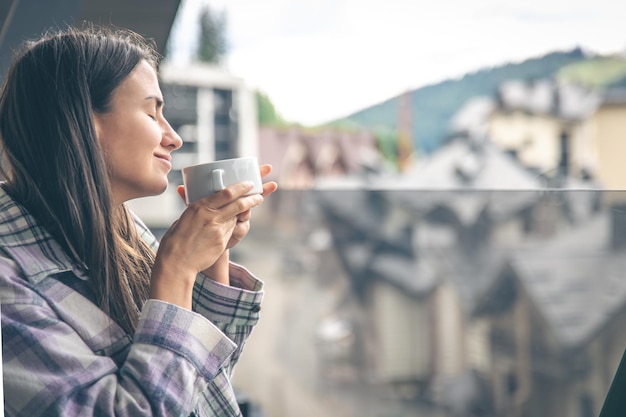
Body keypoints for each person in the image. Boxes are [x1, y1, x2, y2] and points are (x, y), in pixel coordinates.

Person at [0, 24, 277, 416]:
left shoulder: (120, 225)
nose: (173, 137)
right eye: (152, 112)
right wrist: (177, 269)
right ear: (85, 122)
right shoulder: (8, 281)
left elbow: (199, 381)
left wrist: (215, 251)